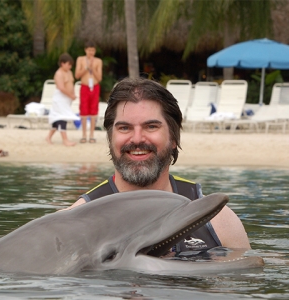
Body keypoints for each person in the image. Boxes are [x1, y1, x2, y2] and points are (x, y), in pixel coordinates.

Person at [62, 77, 251, 254]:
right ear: (111, 138)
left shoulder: (216, 220)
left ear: (174, 138)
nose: (137, 139)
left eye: (151, 126)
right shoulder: (73, 223)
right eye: (124, 128)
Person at [46, 53, 79, 147]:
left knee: (57, 118)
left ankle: (48, 137)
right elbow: (61, 87)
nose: (70, 66)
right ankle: (65, 140)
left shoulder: (69, 72)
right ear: (62, 63)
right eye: (68, 64)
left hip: (67, 99)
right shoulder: (58, 73)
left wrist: (72, 95)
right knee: (61, 118)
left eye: (71, 64)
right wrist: (71, 95)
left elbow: (70, 84)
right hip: (60, 98)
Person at [75, 40, 103, 144]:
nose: (91, 52)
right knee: (83, 109)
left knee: (93, 110)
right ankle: (83, 134)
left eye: (93, 50)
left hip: (94, 87)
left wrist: (92, 68)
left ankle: (92, 135)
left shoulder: (98, 61)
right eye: (89, 50)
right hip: (84, 86)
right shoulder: (80, 59)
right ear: (85, 50)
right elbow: (77, 75)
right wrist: (87, 67)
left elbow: (99, 78)